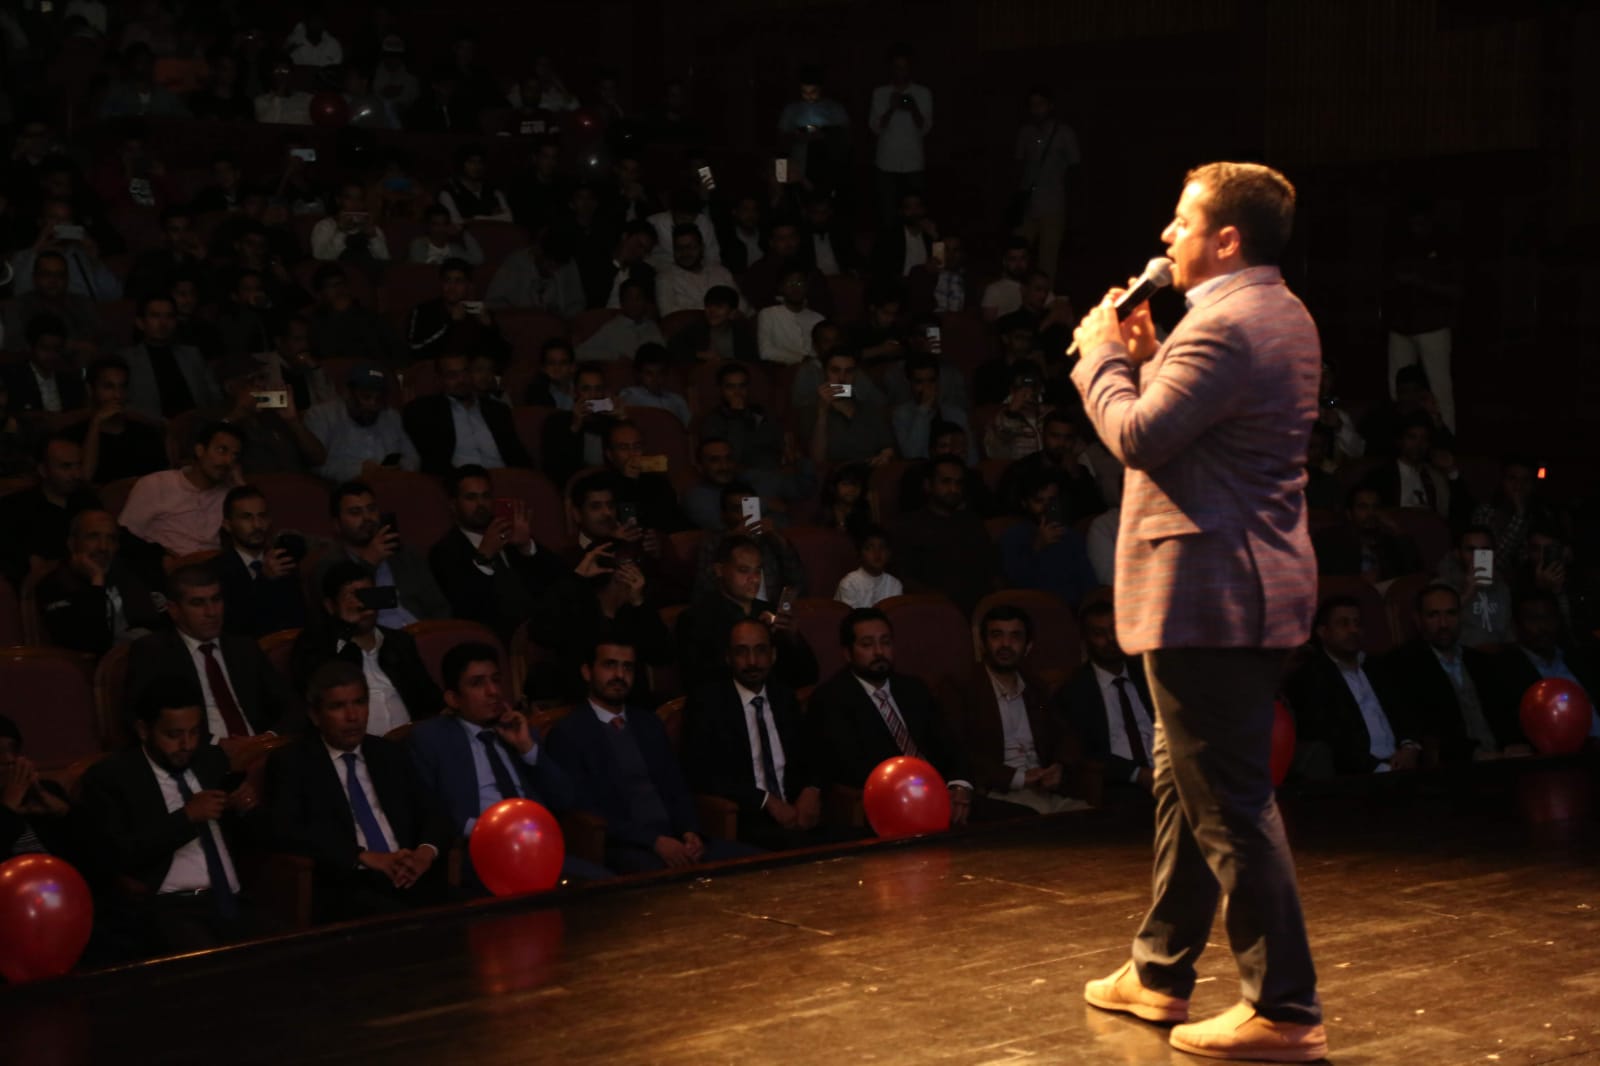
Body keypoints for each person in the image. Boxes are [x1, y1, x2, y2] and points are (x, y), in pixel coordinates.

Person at [1072, 162, 1327, 1060]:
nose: (1167, 236)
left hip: (1210, 594)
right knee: (1184, 785)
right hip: (1238, 584)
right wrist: (1150, 358)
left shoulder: (1225, 324)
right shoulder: (1274, 312)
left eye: (1182, 222)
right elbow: (1202, 434)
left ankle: (1284, 1008)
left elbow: (1139, 435)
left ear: (1227, 239)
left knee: (1227, 801)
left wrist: (1102, 355)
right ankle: (1159, 970)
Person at [80, 678, 262, 955]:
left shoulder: (211, 761)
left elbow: (252, 835)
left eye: (194, 732)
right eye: (174, 735)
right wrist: (187, 817)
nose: (187, 744)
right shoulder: (112, 778)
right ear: (144, 730)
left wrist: (245, 807)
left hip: (232, 898)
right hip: (168, 907)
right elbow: (115, 854)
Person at [407, 642, 611, 886]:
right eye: (477, 683)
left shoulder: (518, 730)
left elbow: (564, 798)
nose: (493, 691)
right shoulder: (432, 739)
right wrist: (495, 831)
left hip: (538, 849)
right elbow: (435, 813)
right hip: (482, 853)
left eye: (496, 680)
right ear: (453, 698)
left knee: (606, 886)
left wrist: (527, 748)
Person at [546, 636, 756, 873]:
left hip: (675, 837)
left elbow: (676, 786)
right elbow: (583, 808)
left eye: (627, 667)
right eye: (610, 665)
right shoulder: (569, 733)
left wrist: (690, 831)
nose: (619, 675)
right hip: (624, 846)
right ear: (587, 672)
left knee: (756, 864)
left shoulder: (648, 723)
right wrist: (653, 841)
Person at [265, 661, 450, 921]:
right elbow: (286, 831)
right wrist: (362, 857)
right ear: (315, 716)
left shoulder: (388, 753)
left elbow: (435, 811)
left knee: (467, 909)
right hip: (348, 883)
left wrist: (424, 854)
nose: (353, 716)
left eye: (360, 702)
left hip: (408, 872)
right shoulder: (293, 763)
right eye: (338, 706)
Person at [807, 608, 974, 819]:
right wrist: (920, 794)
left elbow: (950, 745)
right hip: (890, 802)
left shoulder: (914, 688)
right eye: (867, 644)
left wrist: (959, 785)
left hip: (942, 793)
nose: (879, 652)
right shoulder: (831, 699)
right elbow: (852, 769)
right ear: (848, 653)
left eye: (885, 642)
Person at [524, 475, 673, 706]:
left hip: (633, 708)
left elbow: (661, 654)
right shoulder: (577, 610)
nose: (634, 574)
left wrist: (639, 603)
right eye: (626, 567)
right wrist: (577, 576)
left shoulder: (634, 612)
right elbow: (540, 631)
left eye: (610, 505)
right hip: (583, 709)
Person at [683, 618, 824, 849]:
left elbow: (812, 753)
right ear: (728, 657)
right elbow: (704, 773)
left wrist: (812, 788)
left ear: (773, 655)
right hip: (747, 818)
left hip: (796, 814)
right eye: (742, 652)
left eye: (760, 650)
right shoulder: (707, 704)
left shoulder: (784, 698)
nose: (752, 661)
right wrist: (766, 800)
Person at [124, 563, 301, 745]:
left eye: (216, 600)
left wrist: (268, 738)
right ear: (174, 610)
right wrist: (218, 744)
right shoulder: (154, 652)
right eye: (198, 603)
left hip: (260, 746)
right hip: (198, 751)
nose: (212, 612)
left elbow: (290, 704)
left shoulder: (243, 647)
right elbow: (144, 719)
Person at [955, 606, 1086, 814]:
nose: (1005, 644)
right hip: (999, 794)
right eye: (996, 635)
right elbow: (959, 753)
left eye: (1015, 636)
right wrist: (1018, 778)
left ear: (1028, 646)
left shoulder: (1036, 687)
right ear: (982, 644)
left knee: (1093, 819)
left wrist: (1060, 767)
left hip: (1046, 790)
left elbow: (1065, 735)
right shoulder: (962, 688)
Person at [291, 562, 443, 736]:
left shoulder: (399, 641)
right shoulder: (314, 644)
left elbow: (430, 697)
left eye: (367, 594)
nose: (361, 603)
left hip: (410, 740)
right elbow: (316, 691)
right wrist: (345, 628)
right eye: (351, 596)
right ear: (330, 606)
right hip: (352, 745)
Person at [1383, 582, 1526, 764]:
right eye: (1433, 615)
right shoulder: (1403, 664)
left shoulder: (1481, 662)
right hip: (1454, 767)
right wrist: (1474, 755)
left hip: (1503, 760)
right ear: (1418, 620)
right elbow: (1424, 730)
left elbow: (1505, 712)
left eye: (1451, 613)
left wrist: (1514, 744)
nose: (1443, 624)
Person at [1282, 598, 1418, 778]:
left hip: (1403, 764)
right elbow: (1326, 737)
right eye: (1343, 623)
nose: (1353, 630)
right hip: (1359, 775)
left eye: (1357, 623)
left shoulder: (1379, 667)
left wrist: (1409, 746)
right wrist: (1379, 768)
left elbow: (1404, 712)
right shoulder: (1311, 677)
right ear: (1323, 632)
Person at [429, 464, 568, 640]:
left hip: (542, 628)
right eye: (471, 498)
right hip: (493, 637)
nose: (480, 504)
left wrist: (526, 546)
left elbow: (559, 578)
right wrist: (484, 557)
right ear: (453, 505)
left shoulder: (510, 533)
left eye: (486, 496)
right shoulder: (444, 552)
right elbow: (464, 606)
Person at [676, 534, 818, 694]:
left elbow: (807, 677)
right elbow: (697, 684)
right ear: (720, 570)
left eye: (758, 570)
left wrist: (792, 638)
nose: (754, 579)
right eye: (743, 570)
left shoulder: (771, 612)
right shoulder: (695, 619)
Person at [317, 480, 451, 627]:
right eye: (355, 512)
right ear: (336, 524)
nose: (367, 517)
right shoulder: (328, 566)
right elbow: (345, 620)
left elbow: (440, 607)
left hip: (422, 632)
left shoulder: (406, 555)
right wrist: (367, 564)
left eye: (372, 509)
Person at [1056, 600, 1157, 793]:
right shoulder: (1074, 691)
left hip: (1169, 773)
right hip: (1119, 784)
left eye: (1115, 630)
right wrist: (1137, 774)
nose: (1110, 639)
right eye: (1099, 633)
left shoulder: (1148, 675)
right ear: (1085, 640)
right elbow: (1083, 752)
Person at [37, 508, 164, 654]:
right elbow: (90, 644)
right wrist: (96, 581)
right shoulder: (56, 584)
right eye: (93, 537)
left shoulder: (128, 574)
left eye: (111, 539)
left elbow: (155, 626)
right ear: (72, 543)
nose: (103, 547)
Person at [1383, 200, 1461, 434]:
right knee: (1398, 386)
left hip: (1433, 326)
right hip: (1401, 325)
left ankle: (1446, 438)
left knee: (1439, 388)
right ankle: (1400, 436)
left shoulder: (1445, 249)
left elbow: (1456, 289)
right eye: (1413, 221)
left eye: (1420, 221)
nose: (1416, 226)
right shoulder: (1399, 248)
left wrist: (1419, 282)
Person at [887, 453, 998, 616]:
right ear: (928, 485)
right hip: (929, 609)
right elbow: (901, 576)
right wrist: (936, 600)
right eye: (946, 482)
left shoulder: (973, 523)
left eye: (958, 483)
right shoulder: (907, 526)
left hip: (979, 609)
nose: (954, 489)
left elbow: (991, 568)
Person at [119, 420, 241, 559]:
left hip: (213, 566)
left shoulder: (231, 494)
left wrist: (240, 484)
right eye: (222, 450)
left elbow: (251, 536)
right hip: (163, 564)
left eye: (235, 455)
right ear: (200, 450)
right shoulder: (156, 484)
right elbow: (126, 535)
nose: (228, 461)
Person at [1494, 589, 1600, 742]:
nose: (1543, 627)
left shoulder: (1581, 660)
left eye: (1549, 618)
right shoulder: (1506, 671)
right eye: (1533, 619)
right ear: (1516, 624)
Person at [403, 352, 532, 476]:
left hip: (504, 476)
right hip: (460, 481)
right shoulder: (425, 411)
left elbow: (517, 454)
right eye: (452, 375)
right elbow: (432, 461)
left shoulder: (498, 410)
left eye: (465, 372)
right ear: (440, 379)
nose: (462, 380)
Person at [0, 434, 97, 586]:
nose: (77, 474)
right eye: (66, 466)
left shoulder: (88, 501)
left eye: (79, 465)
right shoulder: (16, 509)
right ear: (43, 470)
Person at [211, 485, 306, 640]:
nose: (257, 525)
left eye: (262, 516)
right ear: (227, 525)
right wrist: (265, 580)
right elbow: (234, 625)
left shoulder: (282, 559)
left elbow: (299, 618)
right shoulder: (216, 570)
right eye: (246, 517)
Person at [999, 471, 1100, 610]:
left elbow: (1088, 581)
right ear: (1024, 503)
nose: (1046, 507)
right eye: (1039, 501)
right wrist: (1037, 546)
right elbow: (1016, 582)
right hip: (1036, 610)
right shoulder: (1014, 536)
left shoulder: (1070, 535)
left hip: (1075, 609)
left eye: (1052, 500)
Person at [305, 363, 421, 482]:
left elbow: (413, 458)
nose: (373, 405)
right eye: (366, 397)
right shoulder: (322, 415)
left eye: (379, 399)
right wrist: (359, 471)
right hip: (348, 487)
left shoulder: (391, 416)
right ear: (348, 393)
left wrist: (399, 468)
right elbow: (316, 466)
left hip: (392, 483)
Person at [690, 485, 806, 602]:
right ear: (724, 515)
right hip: (728, 609)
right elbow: (703, 590)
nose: (744, 516)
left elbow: (798, 582)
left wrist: (778, 539)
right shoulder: (712, 543)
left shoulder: (769, 540)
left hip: (769, 609)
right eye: (737, 510)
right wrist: (731, 542)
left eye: (749, 509)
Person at [1012, 85, 1080, 282]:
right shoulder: (1026, 132)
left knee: (1048, 257)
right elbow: (1019, 164)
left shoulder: (1064, 133)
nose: (1037, 109)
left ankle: (1044, 294)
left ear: (1050, 106)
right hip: (1028, 203)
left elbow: (1075, 166)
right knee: (1017, 251)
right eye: (1033, 105)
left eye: (1040, 104)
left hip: (1053, 203)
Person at [120, 294, 222, 422]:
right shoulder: (127, 359)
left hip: (199, 424)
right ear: (140, 323)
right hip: (150, 427)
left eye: (169, 316)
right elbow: (121, 403)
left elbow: (214, 394)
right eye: (155, 316)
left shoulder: (192, 354)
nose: (163, 323)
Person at [995, 410, 1107, 522]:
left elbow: (1095, 512)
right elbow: (1007, 512)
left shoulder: (1079, 472)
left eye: (1068, 438)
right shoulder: (1021, 469)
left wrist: (1076, 476)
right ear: (1043, 435)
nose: (1061, 443)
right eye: (1055, 436)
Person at [868, 46, 932, 224]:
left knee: (916, 213)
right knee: (887, 211)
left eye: (904, 67)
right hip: (887, 161)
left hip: (913, 161)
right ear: (891, 68)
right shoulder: (880, 93)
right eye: (897, 67)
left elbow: (925, 128)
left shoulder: (922, 93)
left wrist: (913, 108)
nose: (901, 72)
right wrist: (891, 108)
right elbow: (875, 127)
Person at [405, 259, 510, 363]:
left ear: (468, 285)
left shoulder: (477, 311)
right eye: (447, 280)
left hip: (470, 370)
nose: (452, 287)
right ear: (441, 283)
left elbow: (504, 356)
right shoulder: (423, 311)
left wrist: (490, 327)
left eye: (459, 281)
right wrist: (451, 323)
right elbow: (414, 351)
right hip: (435, 369)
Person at [2, 252, 105, 356]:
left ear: (67, 278)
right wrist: (70, 345)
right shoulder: (18, 306)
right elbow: (14, 344)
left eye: (60, 275)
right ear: (35, 277)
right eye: (46, 274)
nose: (53, 281)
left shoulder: (82, 302)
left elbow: (103, 335)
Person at [1311, 485, 1422, 582]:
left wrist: (1396, 528)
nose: (1371, 513)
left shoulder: (1389, 540)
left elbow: (1415, 573)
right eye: (1363, 507)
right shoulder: (1329, 539)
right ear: (1349, 513)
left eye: (1376, 507)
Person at [808, 350, 895, 467]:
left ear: (855, 375)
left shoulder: (870, 409)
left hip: (869, 470)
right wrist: (822, 413)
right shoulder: (811, 411)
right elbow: (818, 459)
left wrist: (885, 456)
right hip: (834, 473)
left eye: (849, 371)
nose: (842, 378)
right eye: (835, 370)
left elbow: (888, 448)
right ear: (824, 373)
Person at [603, 419, 690, 535]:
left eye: (637, 447)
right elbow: (626, 522)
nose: (632, 454)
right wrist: (628, 482)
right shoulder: (602, 485)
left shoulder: (658, 481)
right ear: (610, 455)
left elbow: (672, 517)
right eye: (624, 448)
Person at [1436, 526, 1514, 647]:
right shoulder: (1441, 586)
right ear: (1458, 553)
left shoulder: (1502, 587)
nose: (1477, 556)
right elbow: (1439, 625)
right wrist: (1467, 593)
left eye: (1484, 550)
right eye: (1471, 550)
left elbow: (1508, 632)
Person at [485, 229, 585, 317]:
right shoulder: (515, 264)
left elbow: (577, 304)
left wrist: (562, 315)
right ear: (537, 251)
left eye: (558, 266)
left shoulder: (568, 265)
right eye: (549, 263)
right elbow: (493, 303)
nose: (553, 270)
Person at [655, 223, 743, 318]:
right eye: (679, 248)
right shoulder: (665, 278)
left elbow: (742, 305)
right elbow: (668, 314)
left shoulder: (719, 271)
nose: (685, 253)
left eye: (690, 247)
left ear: (702, 247)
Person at [1, 316, 86, 414]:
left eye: (56, 349)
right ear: (30, 347)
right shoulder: (13, 378)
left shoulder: (70, 380)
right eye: (45, 348)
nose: (51, 355)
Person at [577, 277, 665, 362]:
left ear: (645, 301)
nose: (634, 303)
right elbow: (579, 352)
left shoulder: (652, 327)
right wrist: (613, 356)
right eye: (629, 298)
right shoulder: (611, 328)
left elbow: (663, 354)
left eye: (638, 298)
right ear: (622, 302)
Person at [757, 269, 826, 366]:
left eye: (799, 283)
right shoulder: (769, 314)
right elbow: (765, 352)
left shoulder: (818, 318)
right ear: (781, 288)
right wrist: (802, 358)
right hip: (784, 369)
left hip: (817, 369)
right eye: (790, 284)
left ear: (806, 287)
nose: (795, 288)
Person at [617, 343, 691, 427]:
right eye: (649, 374)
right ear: (638, 374)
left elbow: (689, 427)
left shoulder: (677, 400)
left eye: (660, 373)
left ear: (666, 374)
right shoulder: (630, 394)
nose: (655, 379)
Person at [437, 144, 513, 224]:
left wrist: (475, 219)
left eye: (480, 162)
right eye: (471, 162)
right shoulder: (449, 192)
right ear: (461, 164)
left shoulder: (493, 190)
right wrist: (493, 218)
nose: (477, 167)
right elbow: (455, 222)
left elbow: (509, 218)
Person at [835, 526, 902, 609]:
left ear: (889, 553)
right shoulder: (849, 584)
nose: (877, 553)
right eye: (869, 548)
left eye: (882, 547)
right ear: (860, 554)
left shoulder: (894, 584)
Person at [408, 204, 482, 266]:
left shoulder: (454, 249)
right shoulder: (419, 244)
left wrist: (462, 232)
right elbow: (422, 270)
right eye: (436, 225)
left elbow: (478, 260)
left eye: (444, 224)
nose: (441, 229)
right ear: (428, 226)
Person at [981, 239, 1033, 321]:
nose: (1019, 264)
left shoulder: (1035, 286)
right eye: (1013, 259)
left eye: (1023, 258)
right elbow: (989, 325)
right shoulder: (993, 289)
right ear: (1005, 262)